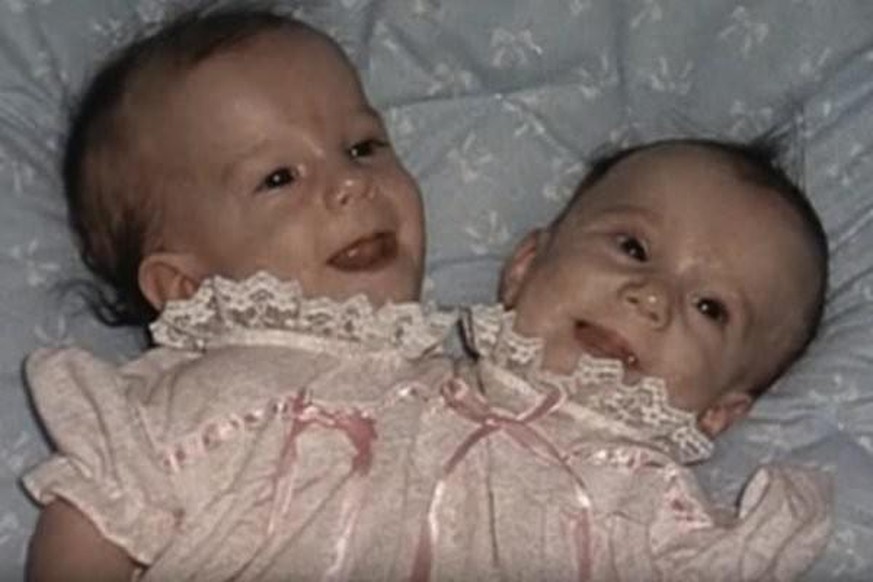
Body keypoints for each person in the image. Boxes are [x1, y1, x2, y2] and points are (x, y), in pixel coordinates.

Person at [23, 7, 455, 581]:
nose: (352, 182)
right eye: (279, 177)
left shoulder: (473, 392)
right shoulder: (174, 409)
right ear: (186, 286)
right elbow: (91, 523)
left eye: (364, 146)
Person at [454, 137, 832, 579]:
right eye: (633, 248)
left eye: (709, 307)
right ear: (526, 266)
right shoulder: (394, 379)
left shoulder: (659, 525)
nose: (653, 296)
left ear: (719, 412)